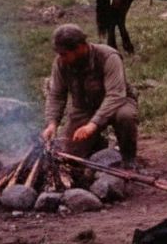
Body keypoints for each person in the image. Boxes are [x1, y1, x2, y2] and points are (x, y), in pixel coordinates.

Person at [42, 23, 139, 167]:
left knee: (125, 116)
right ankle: (98, 144)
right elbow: (56, 95)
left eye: (64, 54)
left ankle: (128, 158)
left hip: (118, 104)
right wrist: (52, 123)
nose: (60, 58)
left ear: (80, 46)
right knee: (69, 156)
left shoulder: (108, 56)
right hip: (84, 109)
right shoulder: (61, 62)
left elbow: (115, 95)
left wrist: (93, 124)